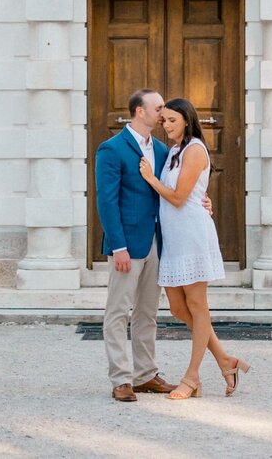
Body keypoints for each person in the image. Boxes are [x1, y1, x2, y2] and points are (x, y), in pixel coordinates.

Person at [139, 97, 251, 401]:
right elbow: (190, 194)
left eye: (173, 120)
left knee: (198, 306)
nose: (166, 124)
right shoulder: (174, 151)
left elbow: (177, 197)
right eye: (164, 120)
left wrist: (149, 178)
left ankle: (192, 378)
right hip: (174, 238)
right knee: (177, 307)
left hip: (192, 235)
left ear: (187, 121)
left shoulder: (196, 149)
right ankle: (225, 360)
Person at [94, 88, 178, 403]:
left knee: (148, 311)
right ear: (139, 111)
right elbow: (106, 201)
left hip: (156, 241)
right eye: (157, 108)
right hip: (126, 243)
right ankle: (121, 379)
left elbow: (169, 191)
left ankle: (145, 375)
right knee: (117, 311)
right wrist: (118, 246)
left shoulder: (160, 148)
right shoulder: (111, 149)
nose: (163, 113)